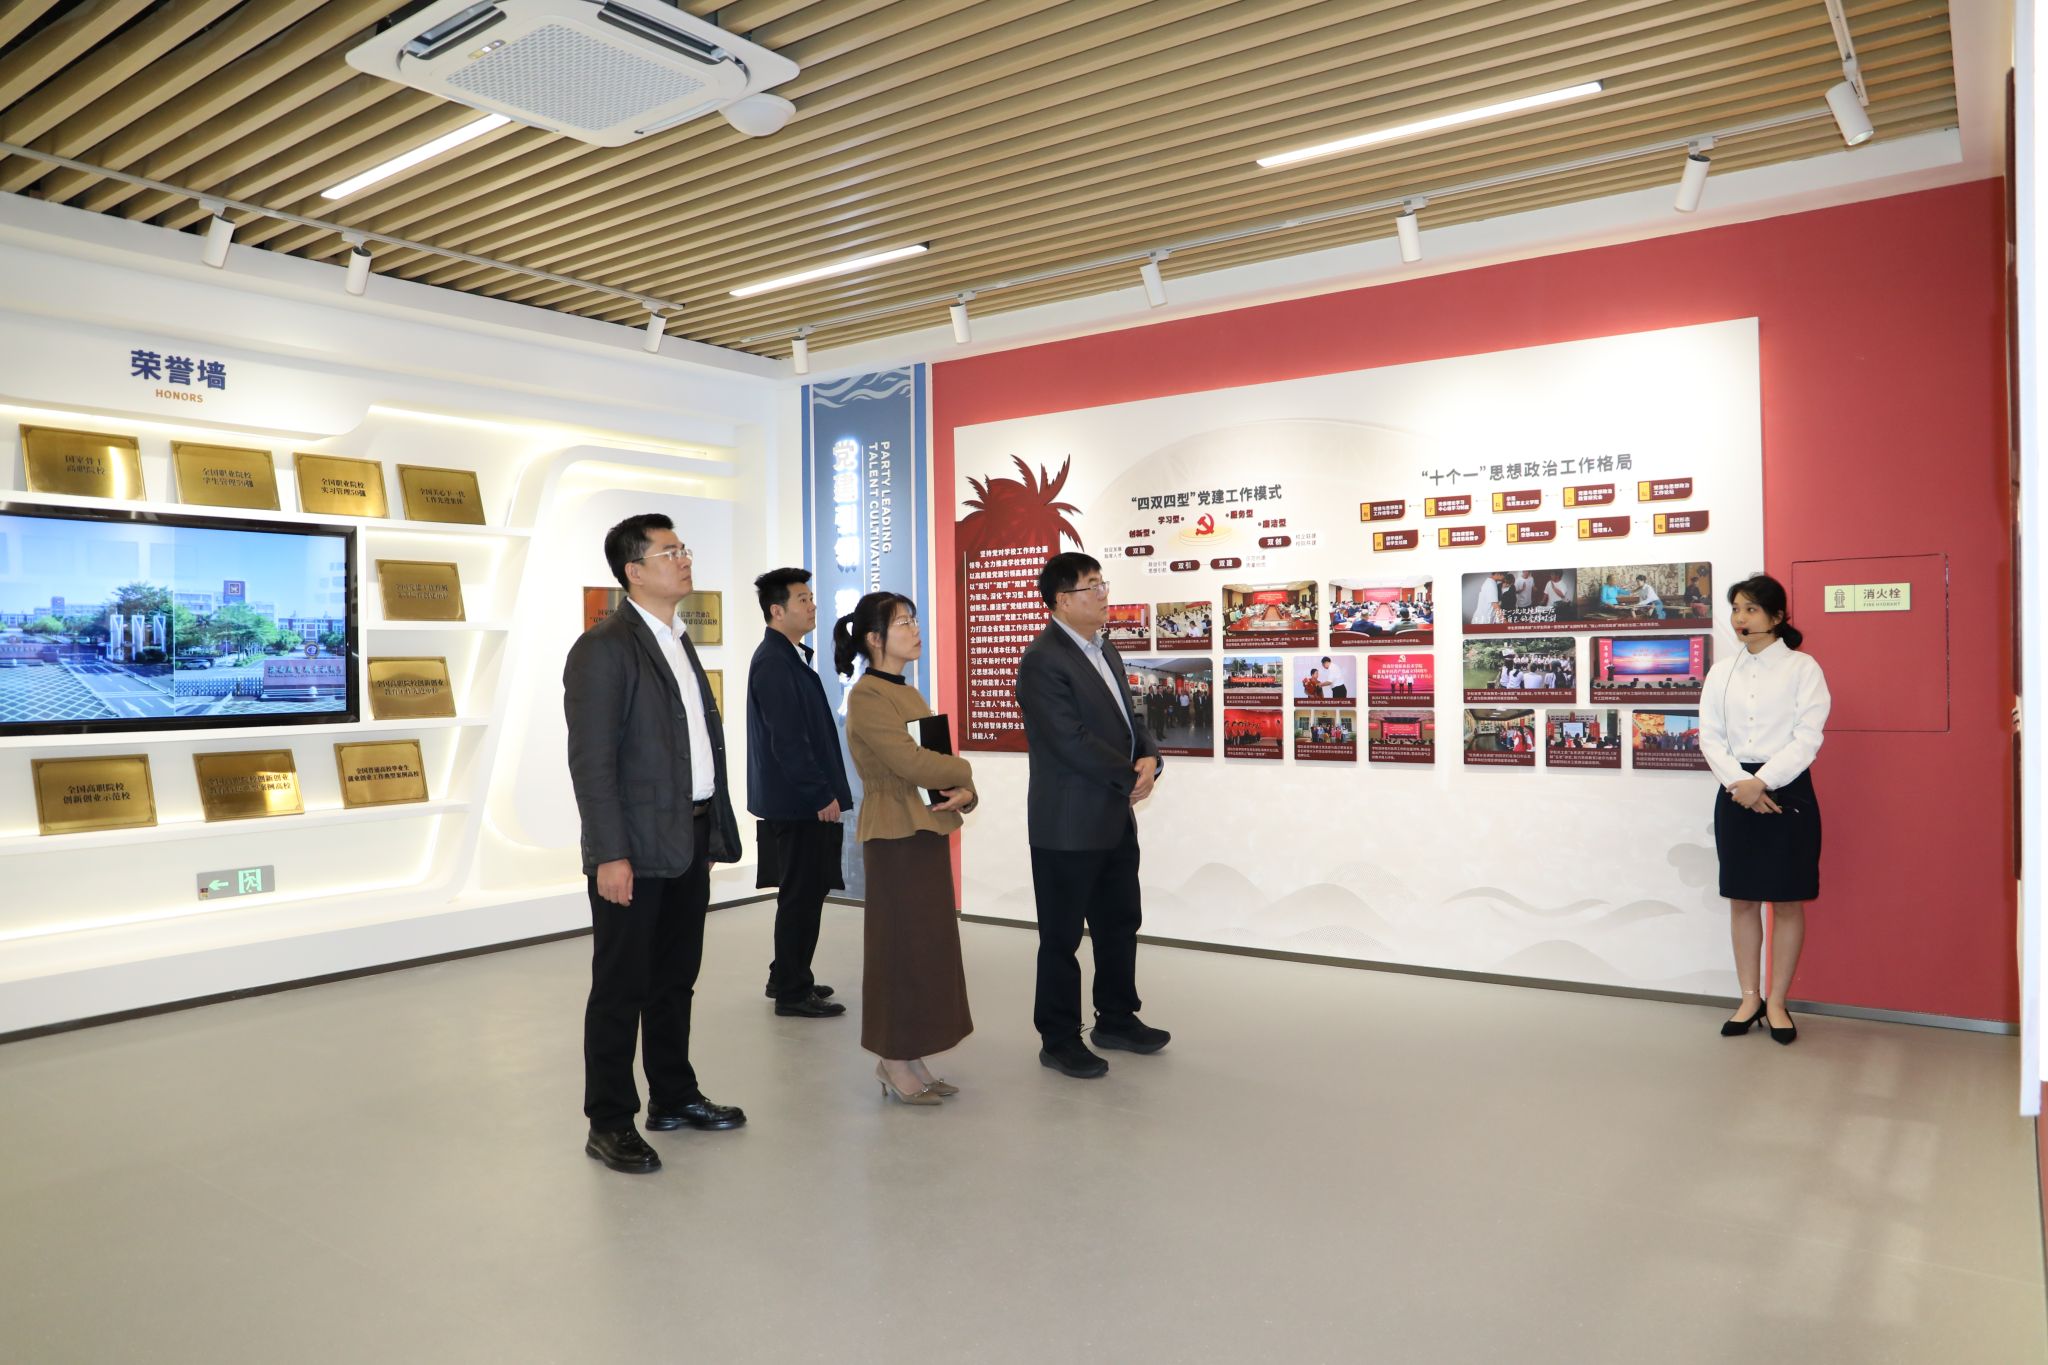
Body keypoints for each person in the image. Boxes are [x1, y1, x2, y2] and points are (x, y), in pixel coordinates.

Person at [564, 513, 745, 1175]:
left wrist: (711, 828)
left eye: (683, 548)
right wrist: (609, 854)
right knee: (621, 986)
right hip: (634, 848)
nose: (684, 559)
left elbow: (694, 744)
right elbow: (592, 763)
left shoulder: (676, 638)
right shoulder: (604, 647)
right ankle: (609, 1120)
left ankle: (673, 1094)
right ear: (634, 571)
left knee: (674, 979)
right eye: (670, 552)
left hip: (687, 835)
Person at [1016, 552, 1168, 1078]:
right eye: (1092, 586)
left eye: (1103, 583)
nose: (1104, 594)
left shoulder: (1106, 649)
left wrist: (1150, 757)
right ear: (1063, 600)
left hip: (1112, 818)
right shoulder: (1042, 660)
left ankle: (1117, 1019)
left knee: (1119, 922)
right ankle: (1059, 1038)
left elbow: (1130, 719)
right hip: (1067, 825)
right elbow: (1070, 740)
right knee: (1061, 938)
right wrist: (1129, 775)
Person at [837, 591, 978, 1104]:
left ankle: (911, 1054)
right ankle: (892, 1059)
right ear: (875, 638)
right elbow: (914, 763)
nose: (915, 629)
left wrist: (965, 791)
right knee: (898, 948)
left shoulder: (908, 691)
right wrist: (965, 770)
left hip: (924, 828)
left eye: (915, 620)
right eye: (903, 623)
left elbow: (932, 761)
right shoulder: (868, 696)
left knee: (926, 947)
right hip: (894, 835)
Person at [1699, 573, 1831, 1045]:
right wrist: (1741, 784)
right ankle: (1749, 998)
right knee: (1743, 899)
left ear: (1776, 616)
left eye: (1751, 609)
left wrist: (1763, 782)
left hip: (1787, 788)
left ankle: (1777, 1002)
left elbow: (1808, 737)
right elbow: (1710, 736)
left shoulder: (1803, 668)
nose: (1740, 618)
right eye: (1736, 609)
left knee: (1787, 900)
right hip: (1735, 789)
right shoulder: (1720, 672)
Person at [746, 567, 852, 1020]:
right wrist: (819, 794)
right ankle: (792, 991)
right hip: (798, 803)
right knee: (801, 896)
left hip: (797, 799)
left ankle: (787, 975)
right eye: (802, 600)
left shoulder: (787, 656)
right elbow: (787, 740)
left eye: (811, 598)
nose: (812, 606)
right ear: (777, 610)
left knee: (803, 892)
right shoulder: (774, 662)